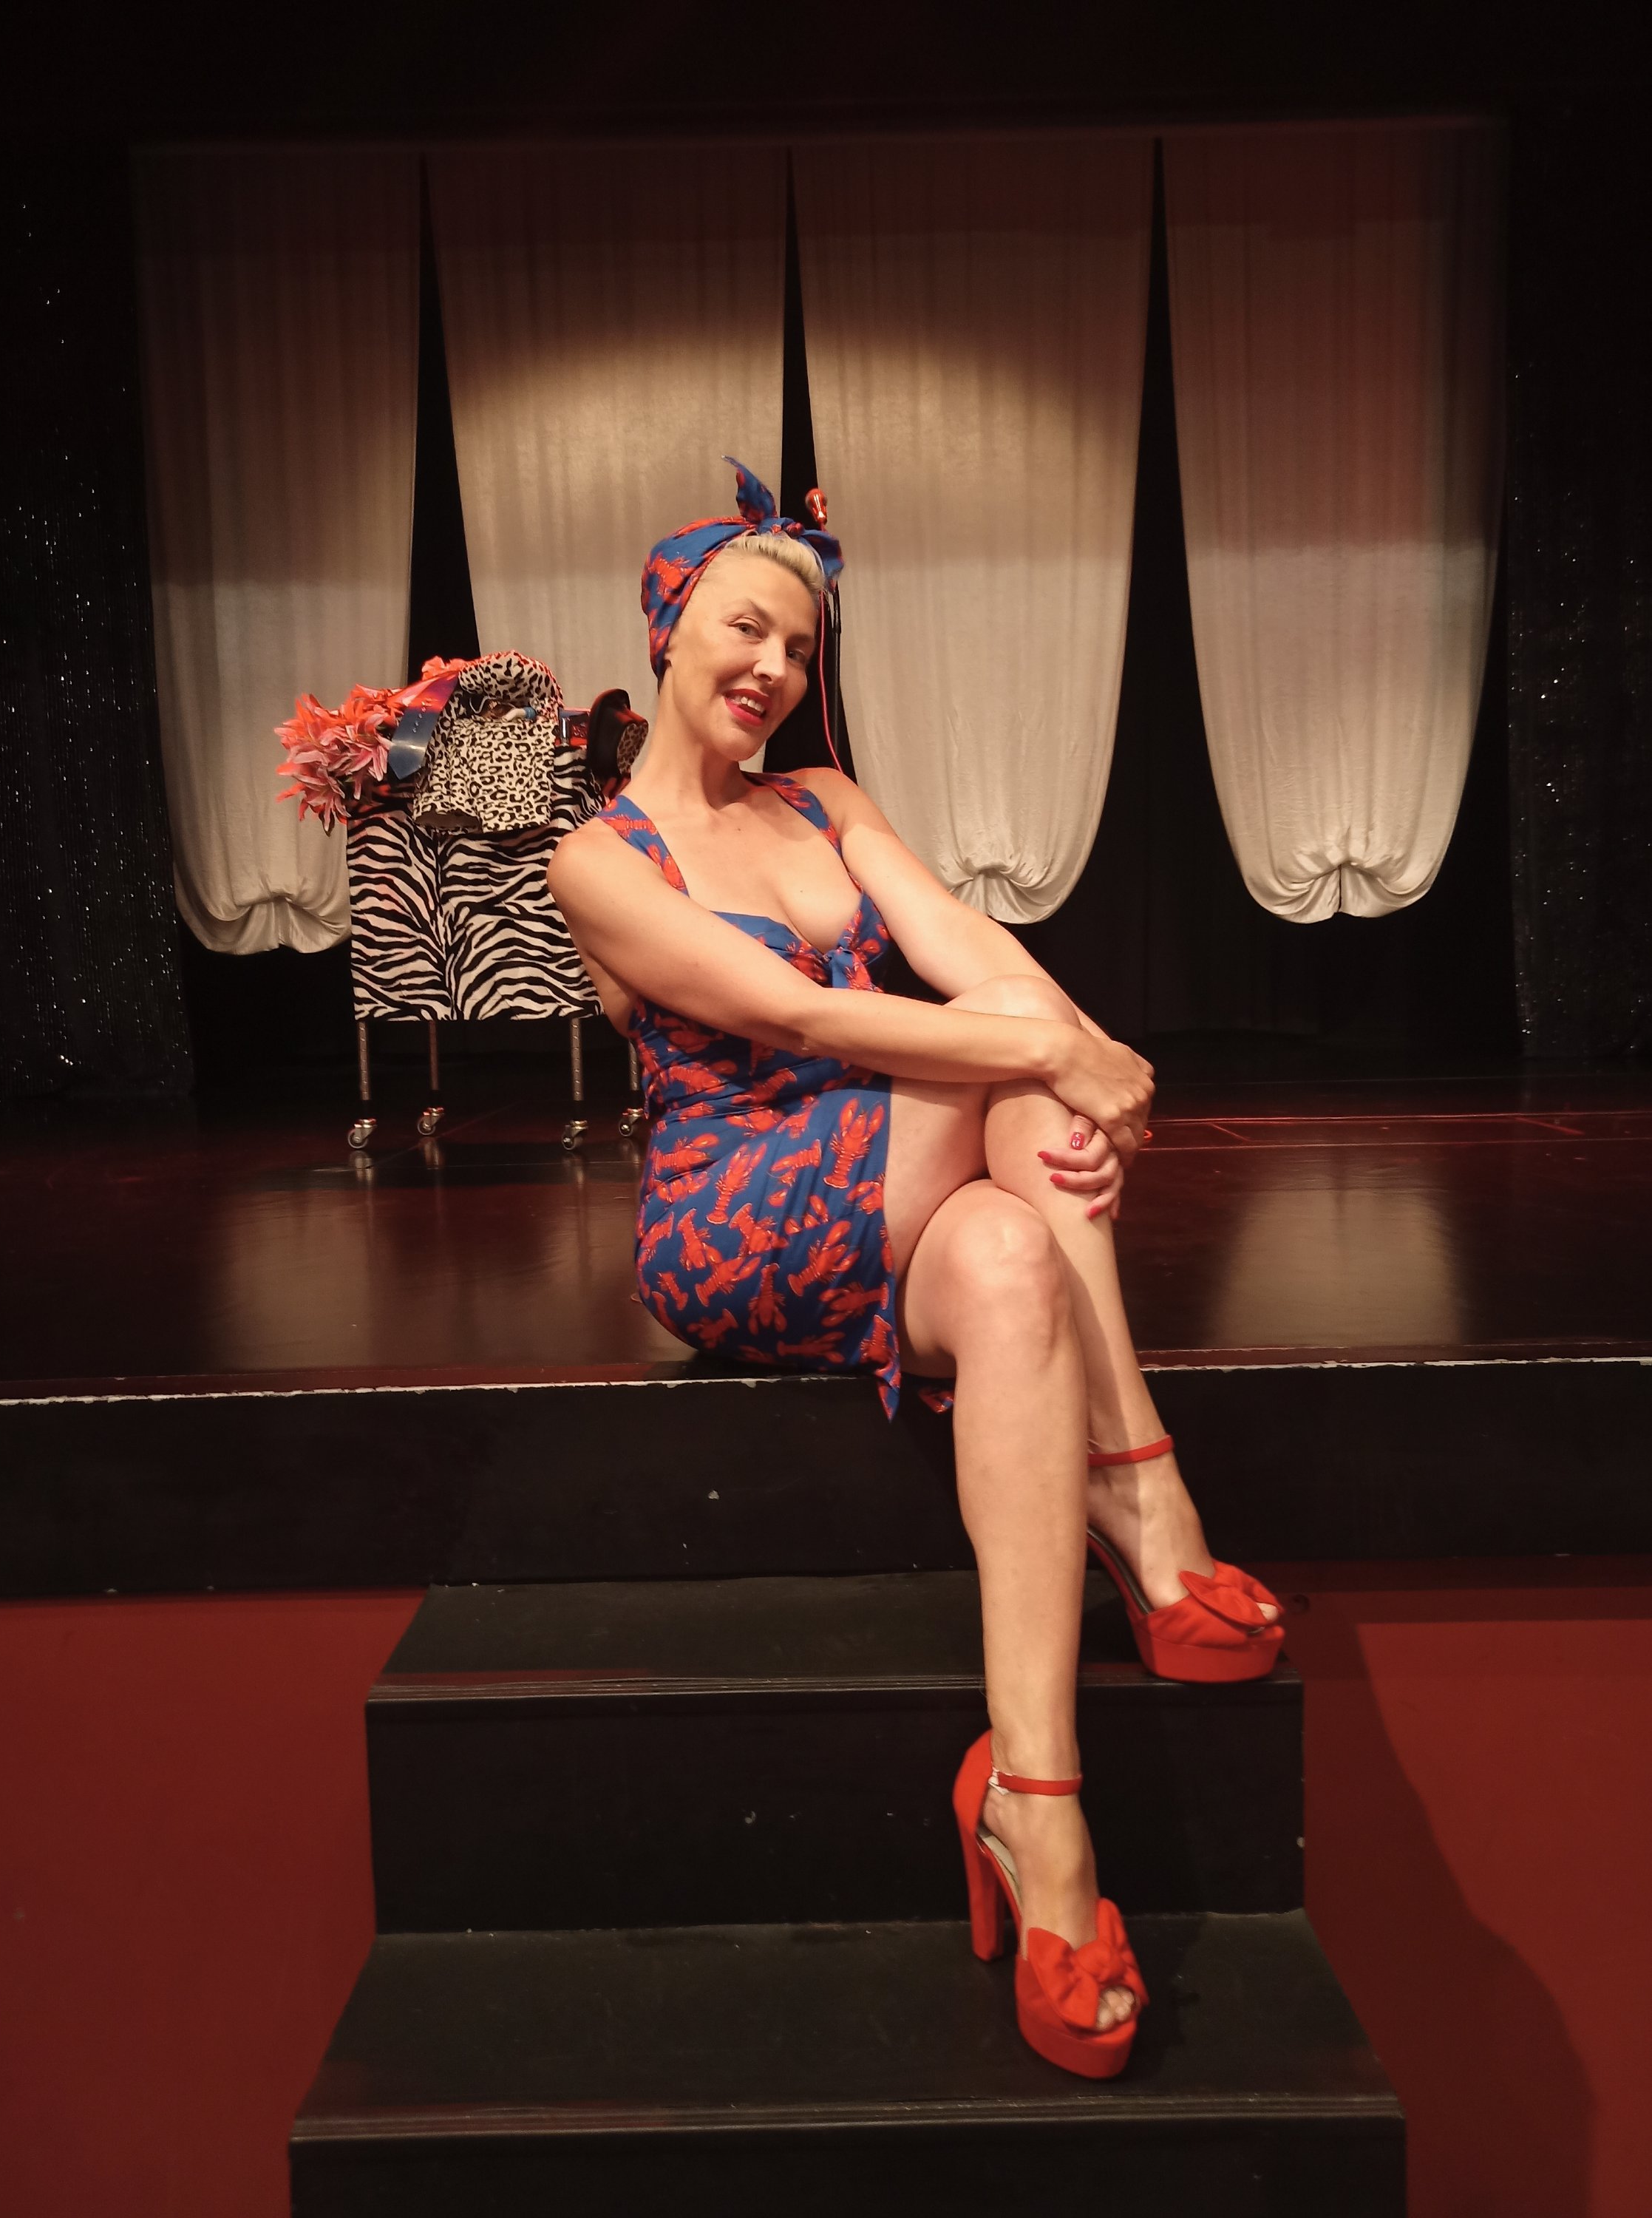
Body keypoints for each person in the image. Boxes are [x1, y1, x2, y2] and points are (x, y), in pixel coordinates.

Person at [549, 461, 1282, 2079]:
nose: (774, 668)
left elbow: (966, 946)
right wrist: (1047, 1059)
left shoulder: (825, 801)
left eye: (801, 648)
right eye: (746, 629)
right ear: (668, 629)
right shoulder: (597, 856)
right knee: (1007, 1057)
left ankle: (1034, 1805)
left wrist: (1090, 1067)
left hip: (897, 1164)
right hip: (735, 1212)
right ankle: (1142, 1492)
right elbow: (799, 1013)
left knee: (1014, 1248)